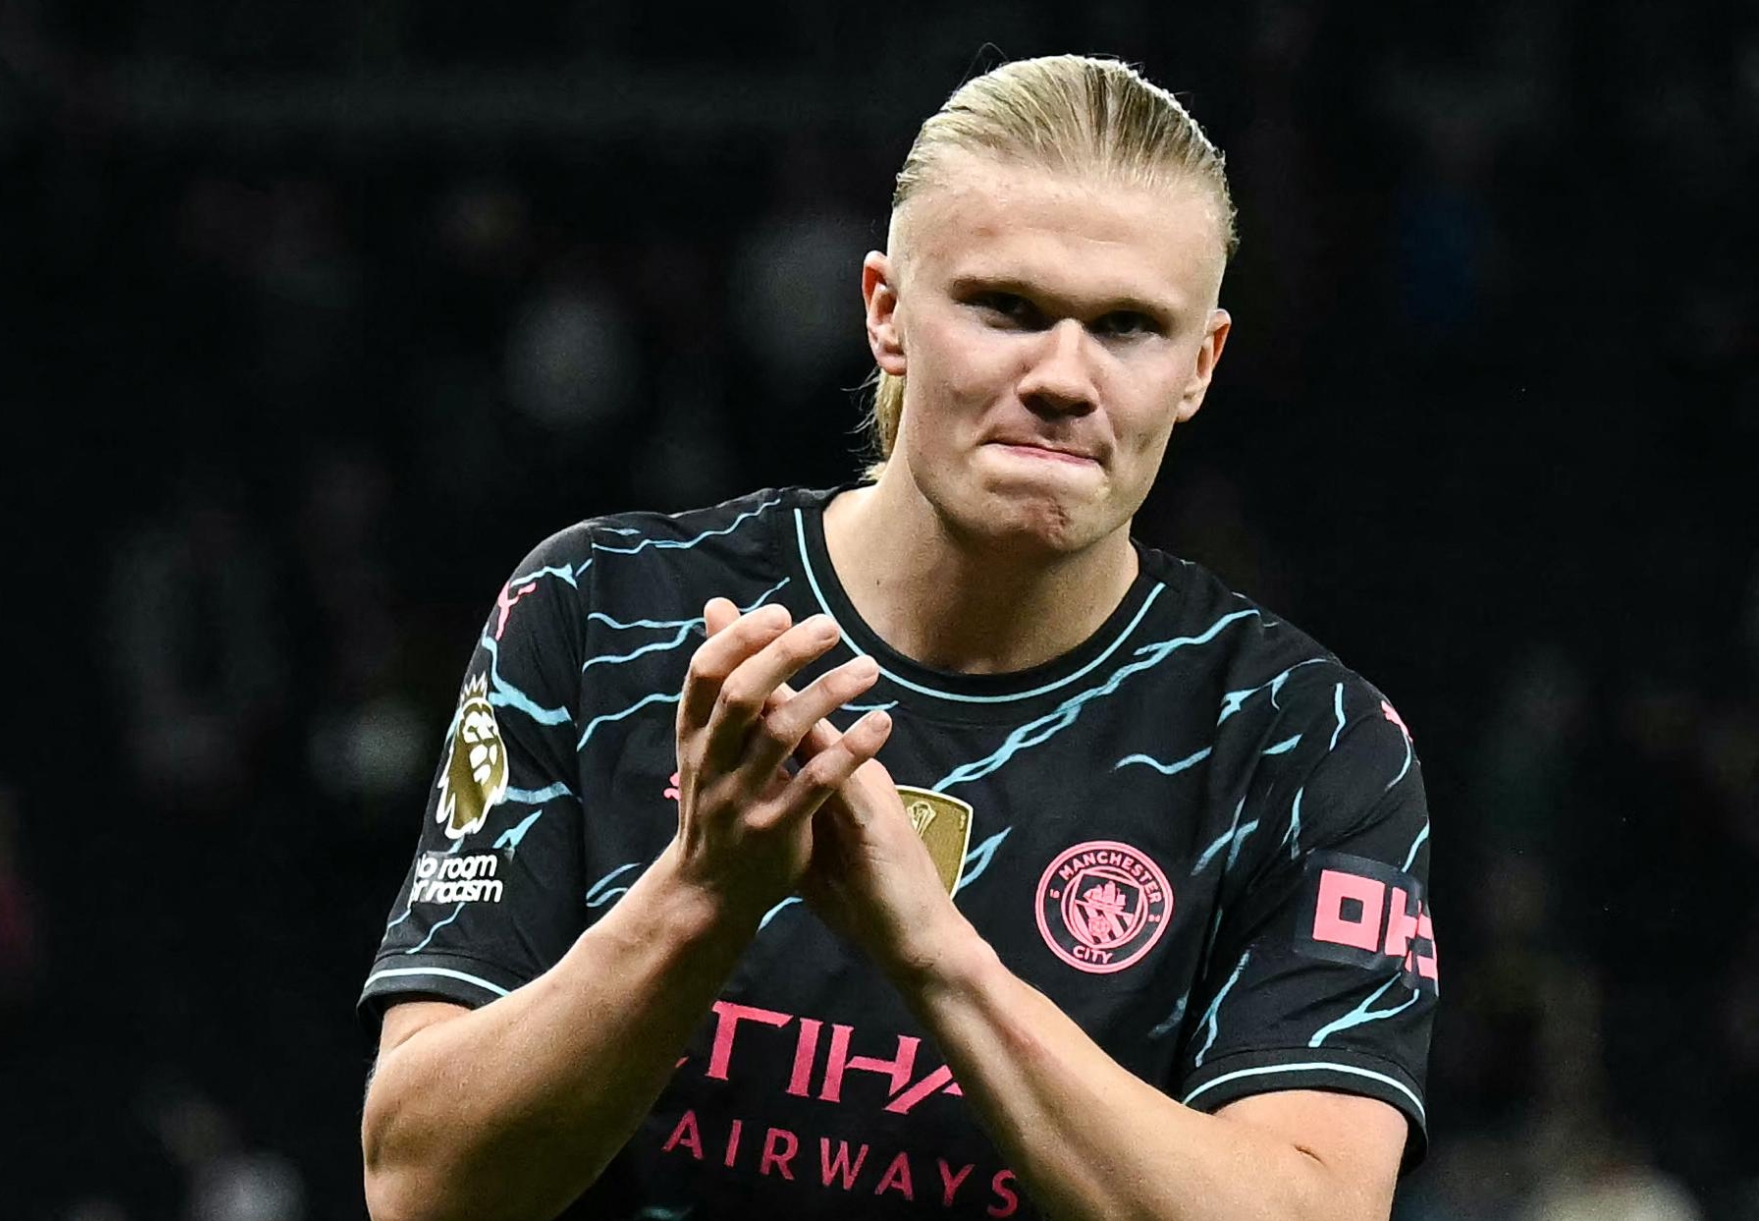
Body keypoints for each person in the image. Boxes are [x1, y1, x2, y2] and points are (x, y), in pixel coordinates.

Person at [359, 54, 1437, 1221]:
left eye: (1127, 326)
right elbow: (423, 1187)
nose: (1063, 377)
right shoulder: (603, 612)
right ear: (886, 313)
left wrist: (934, 951)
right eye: (1006, 309)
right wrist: (705, 889)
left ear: (1200, 367)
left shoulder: (1309, 743)